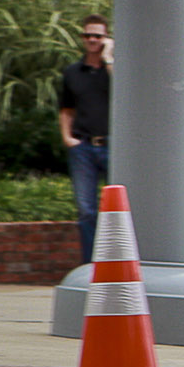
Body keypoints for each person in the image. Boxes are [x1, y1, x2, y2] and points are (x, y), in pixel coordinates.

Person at [56, 17, 113, 263]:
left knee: (118, 210)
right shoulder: (72, 72)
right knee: (87, 211)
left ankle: (118, 261)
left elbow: (124, 89)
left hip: (114, 147)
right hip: (83, 148)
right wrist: (67, 138)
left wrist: (109, 58)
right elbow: (66, 109)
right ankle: (90, 265)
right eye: (88, 35)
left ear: (106, 39)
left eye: (98, 36)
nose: (92, 40)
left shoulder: (114, 70)